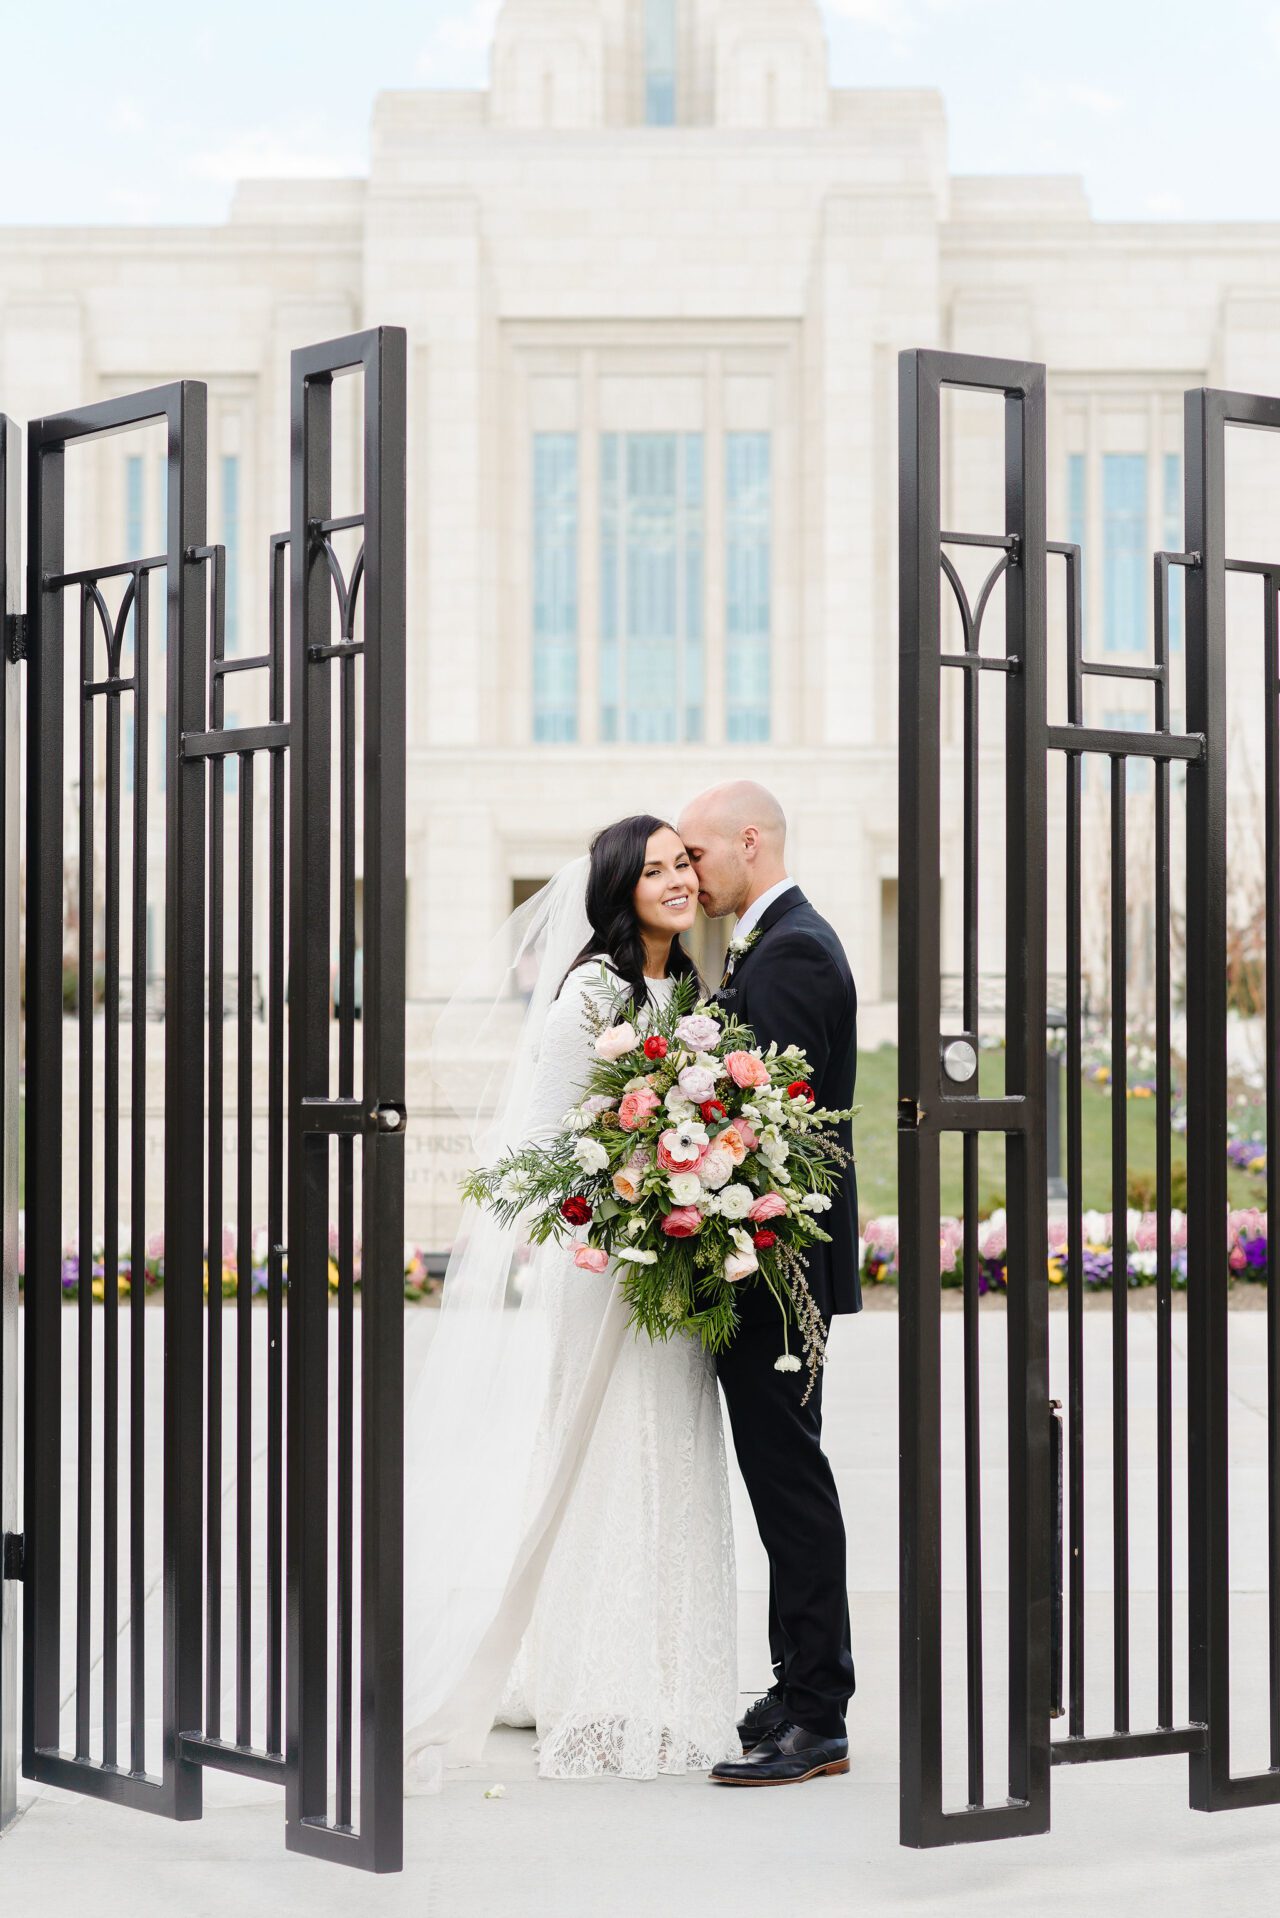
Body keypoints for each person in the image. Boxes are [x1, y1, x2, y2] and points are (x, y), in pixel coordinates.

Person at [402, 816, 739, 1784]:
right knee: (601, 1460)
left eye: (682, 863)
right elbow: (544, 1156)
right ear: (617, 888)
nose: (676, 878)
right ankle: (594, 1685)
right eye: (654, 868)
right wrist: (630, 1197)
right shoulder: (585, 999)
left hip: (674, 1277)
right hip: (602, 1275)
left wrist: (699, 1194)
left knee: (671, 1454)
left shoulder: (693, 993)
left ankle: (673, 1679)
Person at [677, 779, 859, 1788]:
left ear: (748, 841)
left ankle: (818, 1709)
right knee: (780, 1478)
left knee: (789, 1484)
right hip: (768, 1269)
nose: (690, 874)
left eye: (698, 855)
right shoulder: (776, 940)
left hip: (772, 1272)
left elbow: (765, 1136)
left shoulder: (790, 951)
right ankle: (795, 1684)